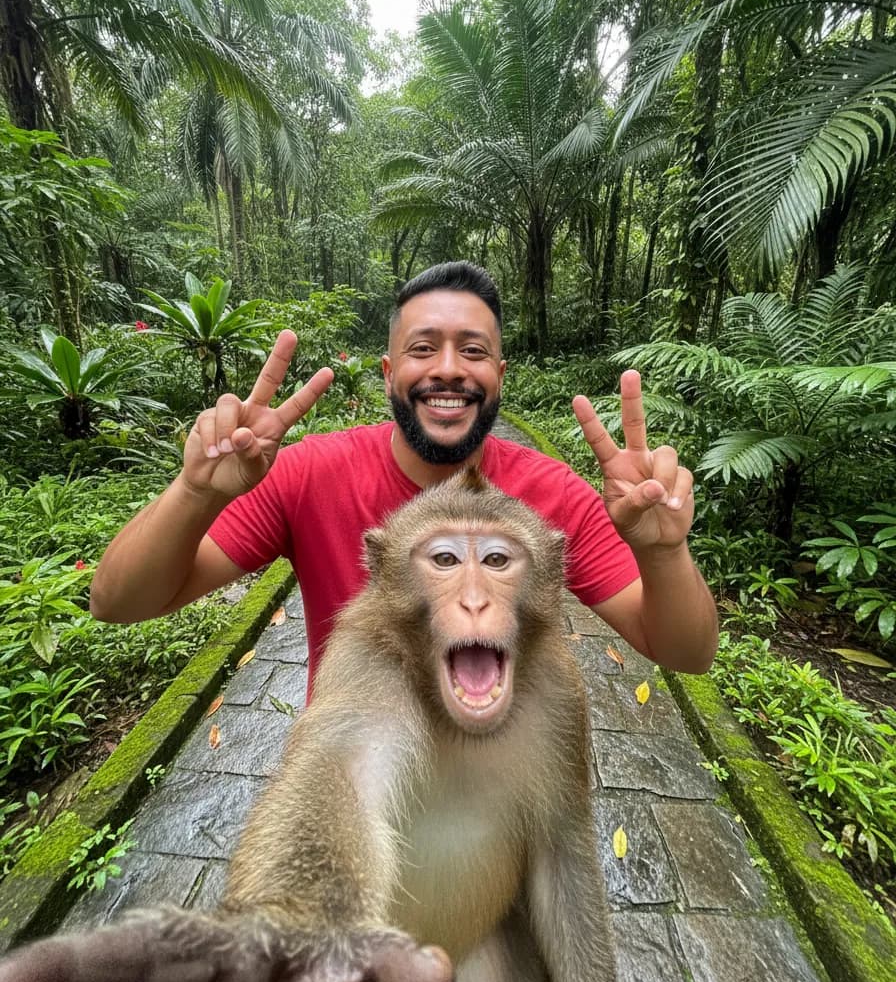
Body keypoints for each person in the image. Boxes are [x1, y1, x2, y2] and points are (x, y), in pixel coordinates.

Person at [91, 262, 718, 685]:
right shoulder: (312, 473)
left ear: (500, 375)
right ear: (390, 374)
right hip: (356, 791)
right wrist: (194, 492)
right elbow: (118, 603)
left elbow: (686, 655)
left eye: (473, 350)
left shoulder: (551, 495)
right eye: (423, 348)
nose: (448, 369)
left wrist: (664, 553)